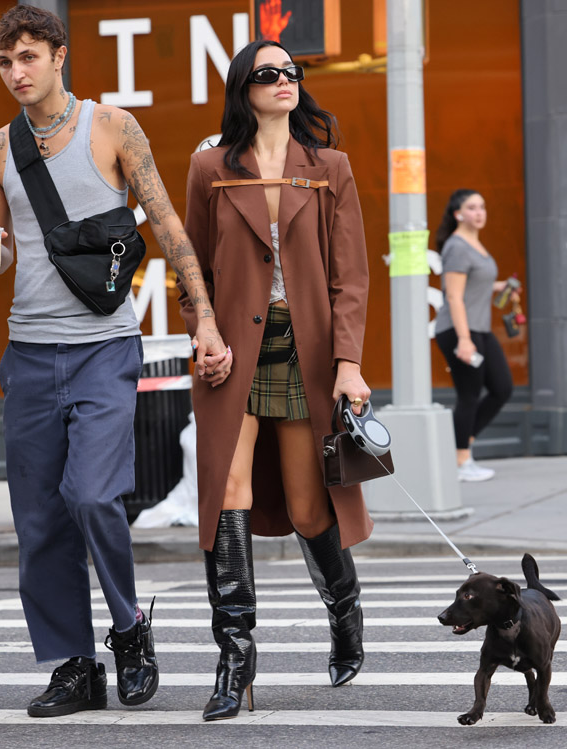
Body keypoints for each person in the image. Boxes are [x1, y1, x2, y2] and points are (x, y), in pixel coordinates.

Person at [0, 5, 227, 718]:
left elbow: (165, 220)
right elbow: (10, 250)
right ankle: (77, 665)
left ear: (58, 55)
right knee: (40, 517)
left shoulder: (112, 126)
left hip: (105, 345)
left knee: (91, 494)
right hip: (30, 351)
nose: (17, 73)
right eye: (5, 62)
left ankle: (131, 628)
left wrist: (204, 320)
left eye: (28, 57)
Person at [180, 40, 374, 721]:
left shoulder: (329, 168)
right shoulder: (209, 168)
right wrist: (202, 329)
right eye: (268, 73)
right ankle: (235, 663)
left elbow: (351, 275)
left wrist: (349, 361)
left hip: (306, 352)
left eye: (291, 72)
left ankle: (345, 611)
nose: (284, 81)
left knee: (306, 506)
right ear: (244, 88)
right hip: (231, 356)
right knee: (225, 497)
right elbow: (193, 269)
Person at [433, 189, 516, 482]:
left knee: (502, 388)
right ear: (458, 214)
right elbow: (454, 297)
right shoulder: (457, 246)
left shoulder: (475, 244)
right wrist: (464, 339)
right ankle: (460, 462)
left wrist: (501, 286)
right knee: (469, 395)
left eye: (482, 206)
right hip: (459, 330)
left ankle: (462, 446)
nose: (479, 212)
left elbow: (475, 283)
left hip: (478, 328)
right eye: (472, 207)